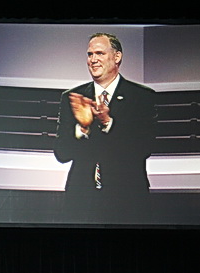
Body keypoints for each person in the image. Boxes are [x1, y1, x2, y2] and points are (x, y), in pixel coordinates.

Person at [54, 32, 157, 223]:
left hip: (127, 200)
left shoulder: (142, 97)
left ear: (117, 57)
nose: (93, 60)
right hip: (82, 201)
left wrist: (108, 124)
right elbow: (61, 153)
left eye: (99, 53)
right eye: (89, 54)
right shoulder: (72, 98)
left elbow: (145, 148)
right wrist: (83, 129)